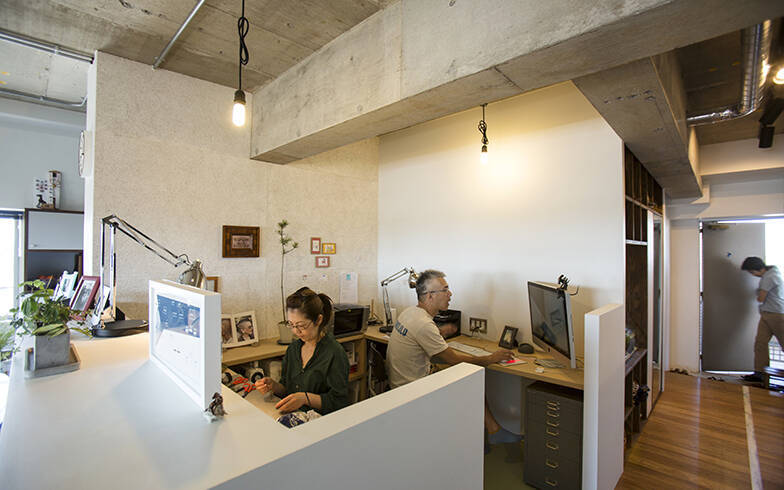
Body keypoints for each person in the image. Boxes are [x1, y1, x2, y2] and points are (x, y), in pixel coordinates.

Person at [386, 269, 518, 446]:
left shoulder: (410, 313)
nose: (450, 294)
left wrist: (439, 332)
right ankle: (491, 433)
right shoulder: (424, 324)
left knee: (463, 375)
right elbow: (453, 359)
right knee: (470, 377)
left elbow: (421, 339)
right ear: (430, 295)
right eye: (445, 289)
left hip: (400, 383)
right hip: (414, 390)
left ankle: (488, 434)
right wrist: (490, 358)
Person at [254, 287, 349, 415]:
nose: (295, 331)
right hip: (294, 416)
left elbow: (339, 402)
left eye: (301, 325)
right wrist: (273, 386)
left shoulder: (334, 353)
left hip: (320, 420)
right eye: (291, 324)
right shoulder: (293, 349)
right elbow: (286, 389)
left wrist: (305, 399)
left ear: (318, 320)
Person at [740, 257, 784, 383]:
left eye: (751, 272)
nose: (752, 275)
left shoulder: (770, 277)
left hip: (776, 314)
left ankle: (760, 373)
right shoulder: (771, 274)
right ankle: (759, 373)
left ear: (757, 269)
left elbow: (761, 298)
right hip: (767, 314)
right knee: (760, 343)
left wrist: (758, 292)